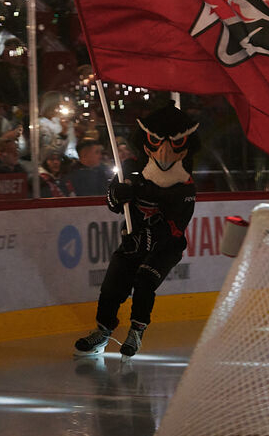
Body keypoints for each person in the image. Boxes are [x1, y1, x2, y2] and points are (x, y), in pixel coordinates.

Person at [74, 105, 200, 358]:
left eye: (174, 144)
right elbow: (113, 205)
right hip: (131, 242)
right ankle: (103, 330)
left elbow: (175, 227)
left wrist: (143, 195)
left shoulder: (185, 184)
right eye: (156, 141)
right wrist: (116, 194)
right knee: (111, 287)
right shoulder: (129, 168)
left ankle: (137, 331)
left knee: (144, 280)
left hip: (165, 248)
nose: (164, 152)